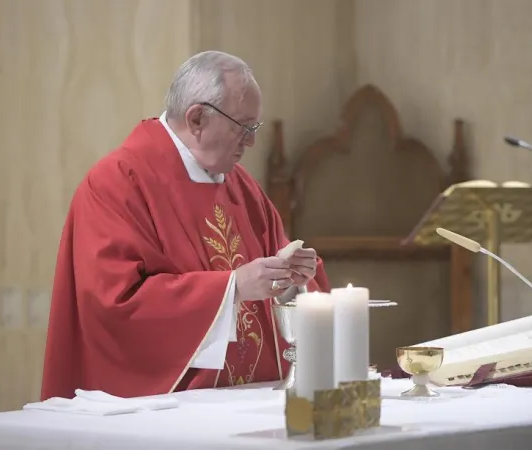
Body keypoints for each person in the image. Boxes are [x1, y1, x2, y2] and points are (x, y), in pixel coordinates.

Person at [40, 51, 330, 400]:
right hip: (161, 410)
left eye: (255, 128)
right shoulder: (118, 183)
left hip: (252, 401)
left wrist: (290, 281)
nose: (251, 142)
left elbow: (275, 283)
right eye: (243, 127)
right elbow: (115, 306)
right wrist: (232, 288)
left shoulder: (243, 188)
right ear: (196, 119)